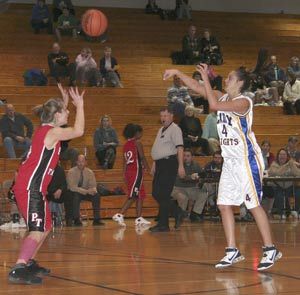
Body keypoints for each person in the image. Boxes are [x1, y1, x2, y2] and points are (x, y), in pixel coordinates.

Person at [163, 63, 281, 270]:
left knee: (253, 205)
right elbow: (198, 88)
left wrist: (207, 79)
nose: (226, 81)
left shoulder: (244, 102)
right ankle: (232, 250)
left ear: (240, 83)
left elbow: (213, 106)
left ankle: (270, 249)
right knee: (224, 204)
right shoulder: (222, 96)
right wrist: (178, 73)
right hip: (230, 160)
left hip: (247, 160)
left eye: (230, 78)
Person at [9, 84, 85, 284]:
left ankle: (29, 261)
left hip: (34, 187)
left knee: (46, 225)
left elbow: (59, 116)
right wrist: (80, 105)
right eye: (65, 111)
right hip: (30, 187)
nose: (68, 112)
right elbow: (79, 130)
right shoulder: (51, 133)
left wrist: (64, 101)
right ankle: (18, 268)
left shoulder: (48, 129)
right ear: (57, 115)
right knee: (36, 229)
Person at [150, 106, 186, 232]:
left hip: (169, 164)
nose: (162, 118)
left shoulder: (175, 129)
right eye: (161, 116)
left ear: (171, 116)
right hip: (160, 164)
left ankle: (163, 224)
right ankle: (177, 212)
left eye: (165, 116)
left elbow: (180, 148)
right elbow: (158, 148)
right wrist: (155, 163)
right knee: (156, 193)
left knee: (163, 194)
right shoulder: (161, 130)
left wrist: (181, 165)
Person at [112, 124, 151, 227]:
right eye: (140, 132)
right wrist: (149, 169)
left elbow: (125, 161)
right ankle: (120, 214)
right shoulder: (137, 143)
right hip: (136, 172)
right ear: (136, 133)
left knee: (140, 195)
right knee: (133, 195)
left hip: (129, 172)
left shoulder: (125, 145)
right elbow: (142, 158)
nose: (141, 134)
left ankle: (139, 218)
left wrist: (124, 174)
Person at [65, 154, 104, 226]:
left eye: (82, 161)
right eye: (79, 161)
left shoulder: (90, 172)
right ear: (76, 162)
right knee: (76, 195)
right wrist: (86, 191)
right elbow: (72, 187)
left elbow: (93, 185)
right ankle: (76, 219)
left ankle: (96, 219)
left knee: (96, 196)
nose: (80, 163)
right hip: (75, 193)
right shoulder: (71, 172)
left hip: (86, 193)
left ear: (86, 162)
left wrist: (93, 190)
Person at [171, 148, 207, 222]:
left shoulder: (196, 165)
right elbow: (181, 178)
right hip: (178, 188)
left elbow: (202, 174)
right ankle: (181, 215)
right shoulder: (178, 165)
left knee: (203, 194)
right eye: (184, 155)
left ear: (192, 157)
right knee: (183, 197)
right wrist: (191, 177)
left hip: (191, 188)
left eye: (188, 156)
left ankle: (195, 214)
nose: (185, 157)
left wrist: (201, 178)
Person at [268, 149, 300, 219]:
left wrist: (292, 166)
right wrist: (287, 165)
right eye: (281, 154)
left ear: (287, 156)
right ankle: (281, 213)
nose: (282, 156)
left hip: (290, 187)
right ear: (278, 156)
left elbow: (298, 174)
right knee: (279, 194)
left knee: (298, 193)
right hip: (278, 186)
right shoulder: (274, 164)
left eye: (284, 154)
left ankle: (297, 211)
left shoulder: (290, 164)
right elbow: (277, 172)